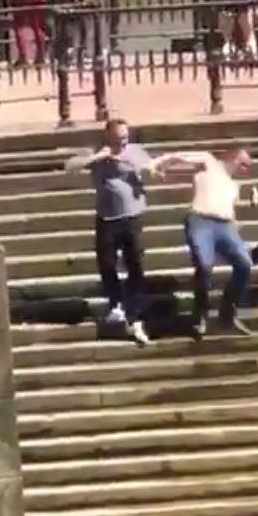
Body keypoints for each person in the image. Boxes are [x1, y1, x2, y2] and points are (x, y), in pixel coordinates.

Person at [151, 147, 258, 341]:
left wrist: (250, 206)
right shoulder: (209, 162)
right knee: (204, 265)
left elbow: (231, 213)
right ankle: (199, 313)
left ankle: (227, 314)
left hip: (225, 225)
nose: (245, 170)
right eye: (243, 164)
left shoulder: (234, 186)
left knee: (244, 264)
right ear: (232, 158)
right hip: (201, 220)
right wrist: (160, 163)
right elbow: (180, 155)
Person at [65, 118, 153, 346]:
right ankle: (115, 304)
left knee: (135, 264)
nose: (123, 141)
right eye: (119, 138)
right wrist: (99, 157)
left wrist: (143, 170)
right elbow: (69, 167)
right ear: (108, 137)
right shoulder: (97, 153)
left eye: (126, 137)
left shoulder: (134, 152)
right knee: (106, 263)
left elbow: (151, 167)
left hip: (132, 216)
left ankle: (134, 313)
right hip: (107, 217)